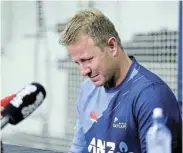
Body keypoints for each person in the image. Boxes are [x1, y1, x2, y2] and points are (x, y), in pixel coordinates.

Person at [60, 8, 182, 153]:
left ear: (112, 46)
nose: (83, 71)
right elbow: (79, 149)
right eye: (77, 63)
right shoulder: (87, 90)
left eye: (87, 60)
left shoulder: (152, 96)